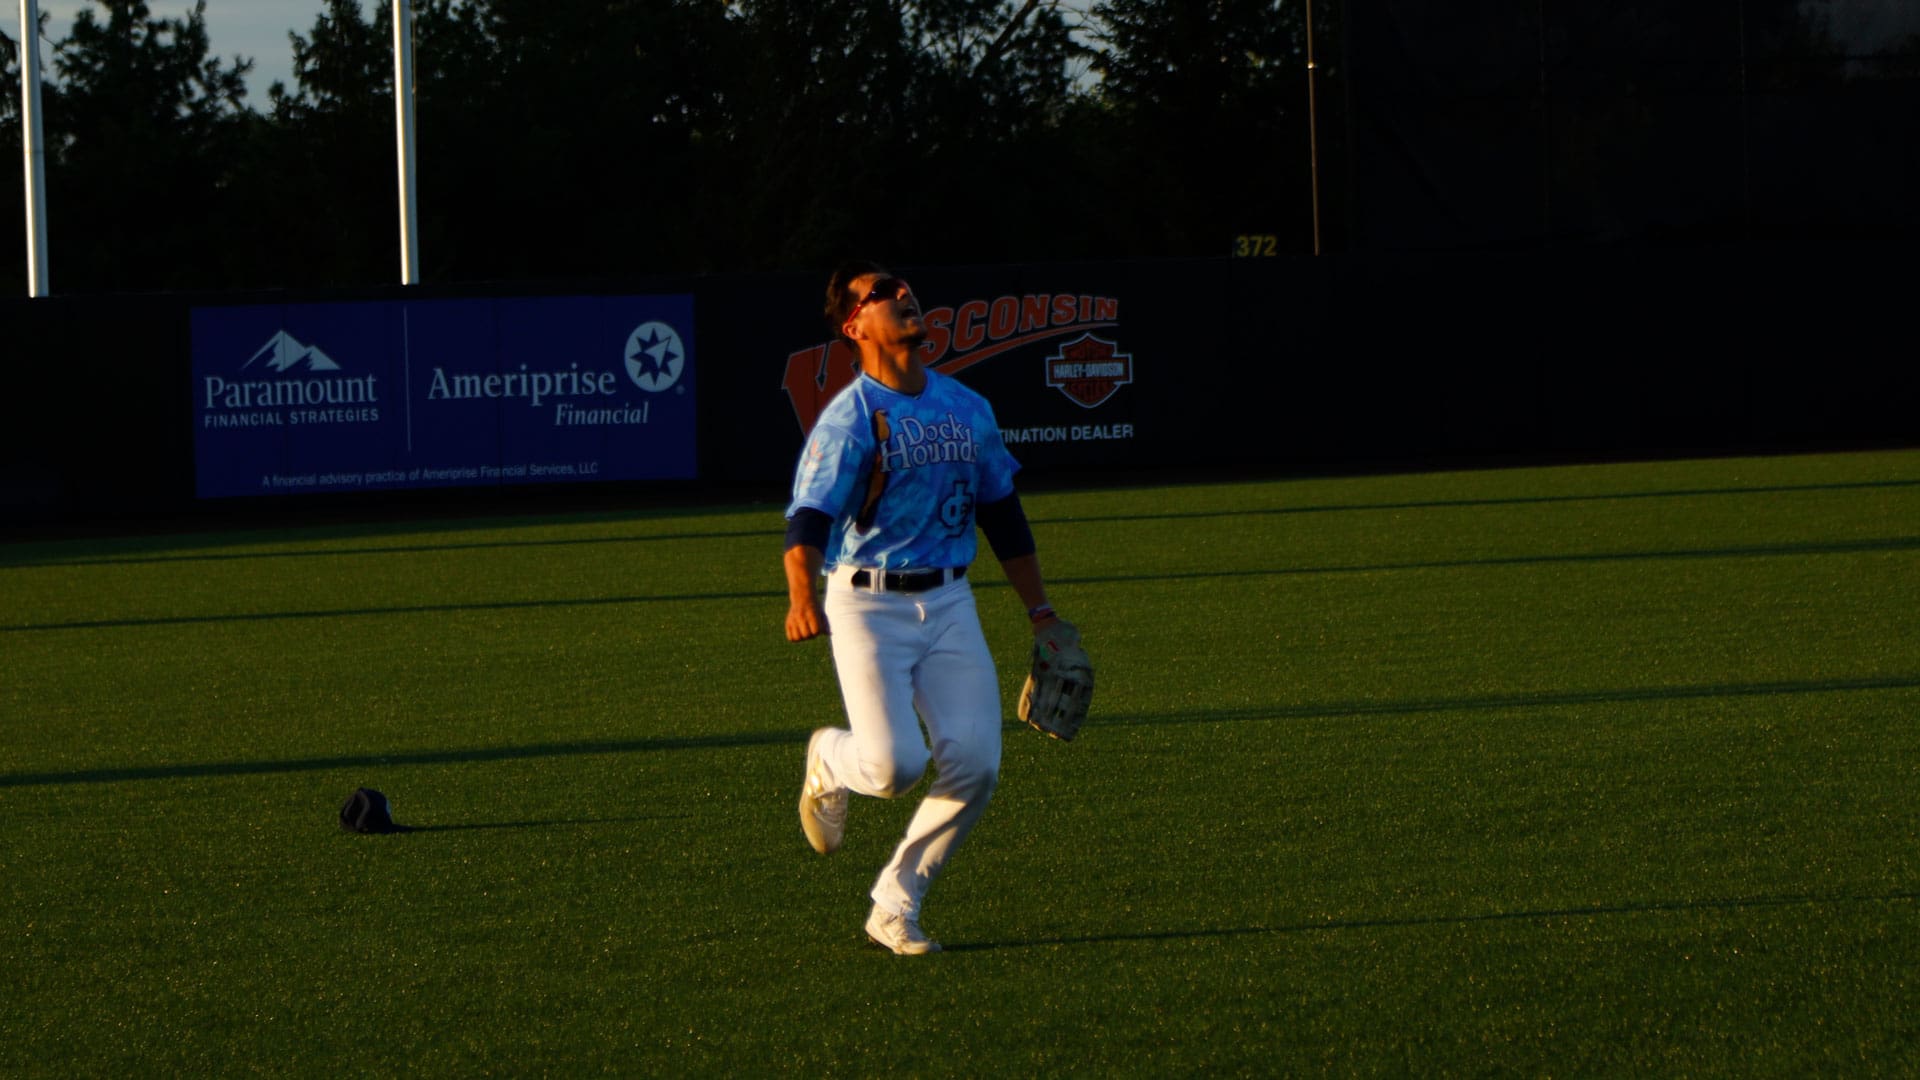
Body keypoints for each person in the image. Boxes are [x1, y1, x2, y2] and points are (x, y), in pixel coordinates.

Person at [783, 260, 1066, 955]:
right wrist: (799, 597)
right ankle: (828, 757)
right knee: (890, 768)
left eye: (903, 287)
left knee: (976, 764)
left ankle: (894, 903)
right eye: (881, 294)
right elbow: (807, 523)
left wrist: (1042, 614)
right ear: (854, 326)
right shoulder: (849, 420)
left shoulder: (967, 408)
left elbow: (1003, 515)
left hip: (948, 598)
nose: (903, 296)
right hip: (866, 604)